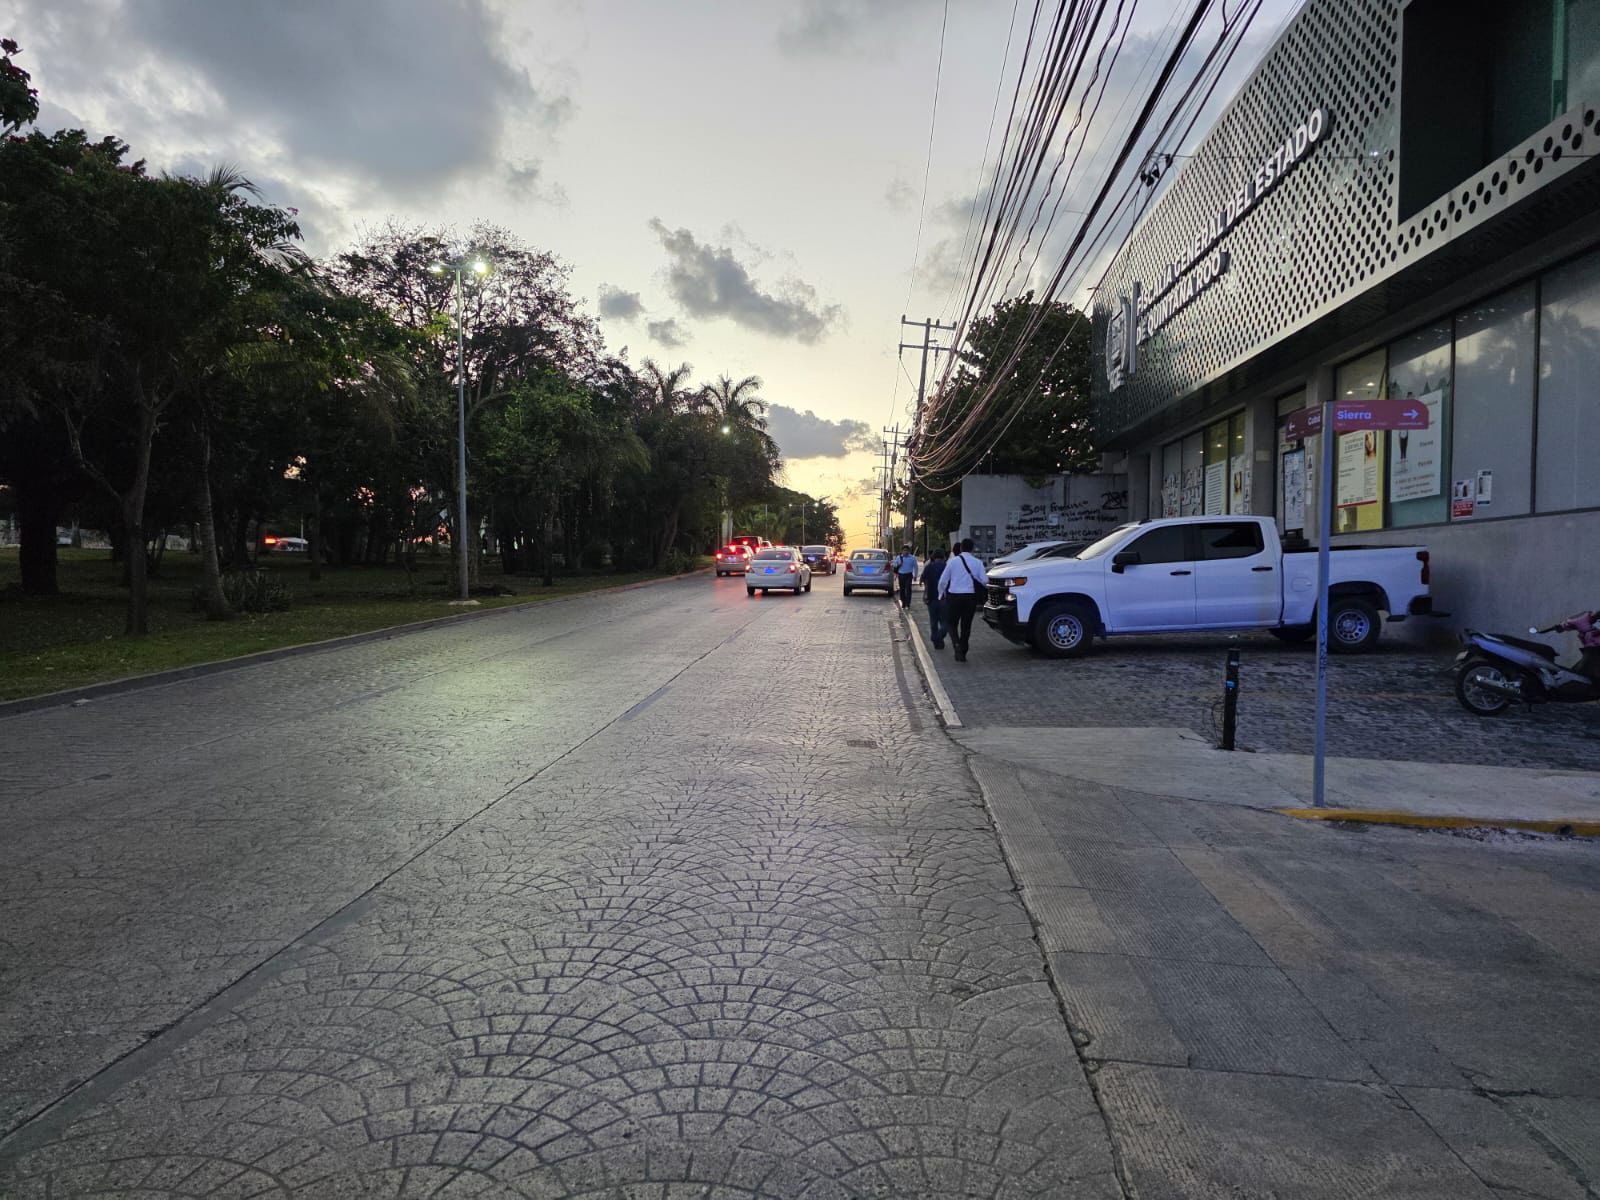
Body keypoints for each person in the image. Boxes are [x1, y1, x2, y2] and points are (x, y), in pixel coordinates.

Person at [938, 537, 989, 662]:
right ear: (972, 549)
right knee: (966, 625)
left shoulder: (952, 562)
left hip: (954, 596)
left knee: (952, 623)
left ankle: (956, 644)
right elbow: (985, 581)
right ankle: (964, 648)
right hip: (970, 597)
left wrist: (940, 595)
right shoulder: (978, 563)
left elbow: (943, 580)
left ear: (961, 548)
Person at [921, 545, 948, 649]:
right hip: (944, 598)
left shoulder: (929, 567)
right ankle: (939, 636)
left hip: (931, 598)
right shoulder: (946, 566)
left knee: (933, 620)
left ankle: (935, 638)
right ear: (943, 556)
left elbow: (923, 578)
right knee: (945, 621)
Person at [892, 544, 918, 609]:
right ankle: (903, 602)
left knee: (908, 589)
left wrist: (915, 576)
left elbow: (916, 567)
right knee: (902, 589)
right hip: (901, 575)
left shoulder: (912, 558)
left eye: (906, 550)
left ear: (909, 551)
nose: (905, 552)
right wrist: (897, 564)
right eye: (904, 550)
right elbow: (894, 565)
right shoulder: (899, 557)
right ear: (902, 551)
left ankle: (908, 603)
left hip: (909, 575)